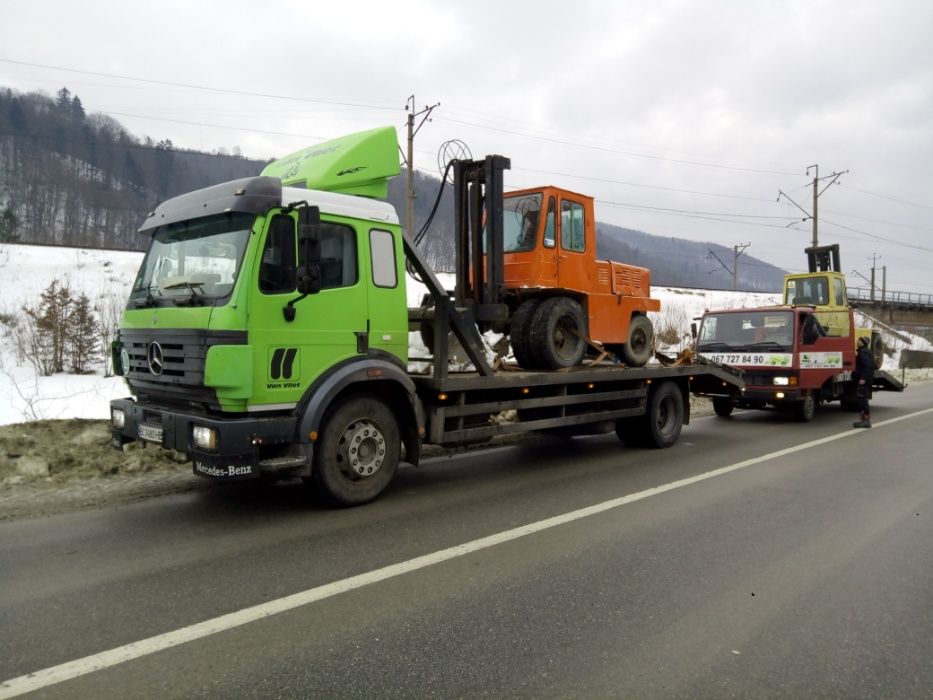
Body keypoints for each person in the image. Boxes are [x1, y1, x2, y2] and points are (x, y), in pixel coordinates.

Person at [853, 336, 874, 428]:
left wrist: (863, 378)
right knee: (861, 398)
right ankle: (864, 419)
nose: (857, 341)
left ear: (863, 343)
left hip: (864, 380)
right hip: (864, 379)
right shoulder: (863, 351)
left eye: (860, 340)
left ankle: (866, 420)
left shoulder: (863, 352)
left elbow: (867, 366)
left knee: (862, 399)